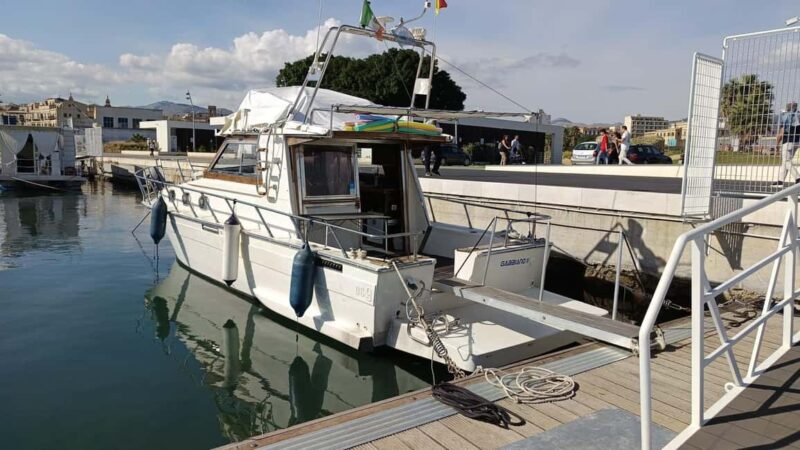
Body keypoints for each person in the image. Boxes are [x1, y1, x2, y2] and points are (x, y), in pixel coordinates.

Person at [774, 101, 800, 186]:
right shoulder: (798, 116)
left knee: (787, 161)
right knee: (785, 162)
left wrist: (777, 144)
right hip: (797, 142)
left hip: (788, 142)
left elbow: (781, 133)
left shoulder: (785, 117)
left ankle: (798, 178)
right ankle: (781, 181)